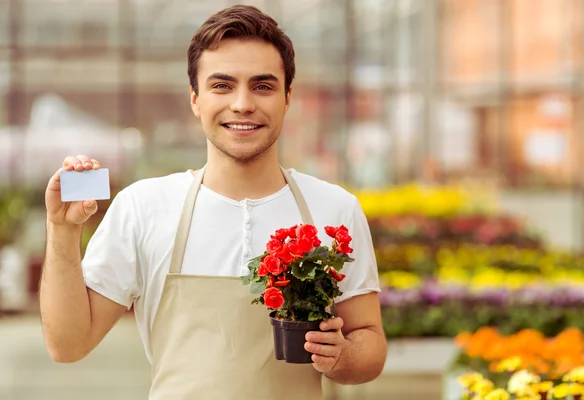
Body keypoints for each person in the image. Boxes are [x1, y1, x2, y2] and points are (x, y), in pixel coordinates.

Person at [40, 5, 387, 399]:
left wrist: (342, 355)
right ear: (195, 99)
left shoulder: (335, 209)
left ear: (287, 97)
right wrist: (62, 231)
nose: (242, 104)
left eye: (263, 86)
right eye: (222, 85)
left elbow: (370, 344)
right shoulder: (144, 206)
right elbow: (67, 346)